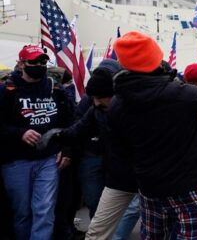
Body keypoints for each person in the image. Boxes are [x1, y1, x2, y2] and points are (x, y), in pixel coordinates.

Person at [107, 31, 197, 239]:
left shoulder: (117, 103)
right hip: (191, 187)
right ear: (154, 59)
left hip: (150, 189)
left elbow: (120, 148)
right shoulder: (178, 93)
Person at [40, 60, 141, 240]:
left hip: (144, 173)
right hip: (115, 177)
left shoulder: (138, 106)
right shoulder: (96, 109)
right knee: (96, 230)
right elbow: (78, 129)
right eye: (92, 98)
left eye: (100, 98)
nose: (95, 103)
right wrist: (56, 135)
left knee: (148, 220)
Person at [0, 45, 74, 240]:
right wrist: (19, 133)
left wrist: (66, 149)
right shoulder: (7, 90)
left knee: (44, 210)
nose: (40, 65)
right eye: (35, 62)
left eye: (43, 61)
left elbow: (69, 123)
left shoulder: (55, 88)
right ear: (22, 63)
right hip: (16, 161)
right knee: (22, 212)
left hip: (48, 159)